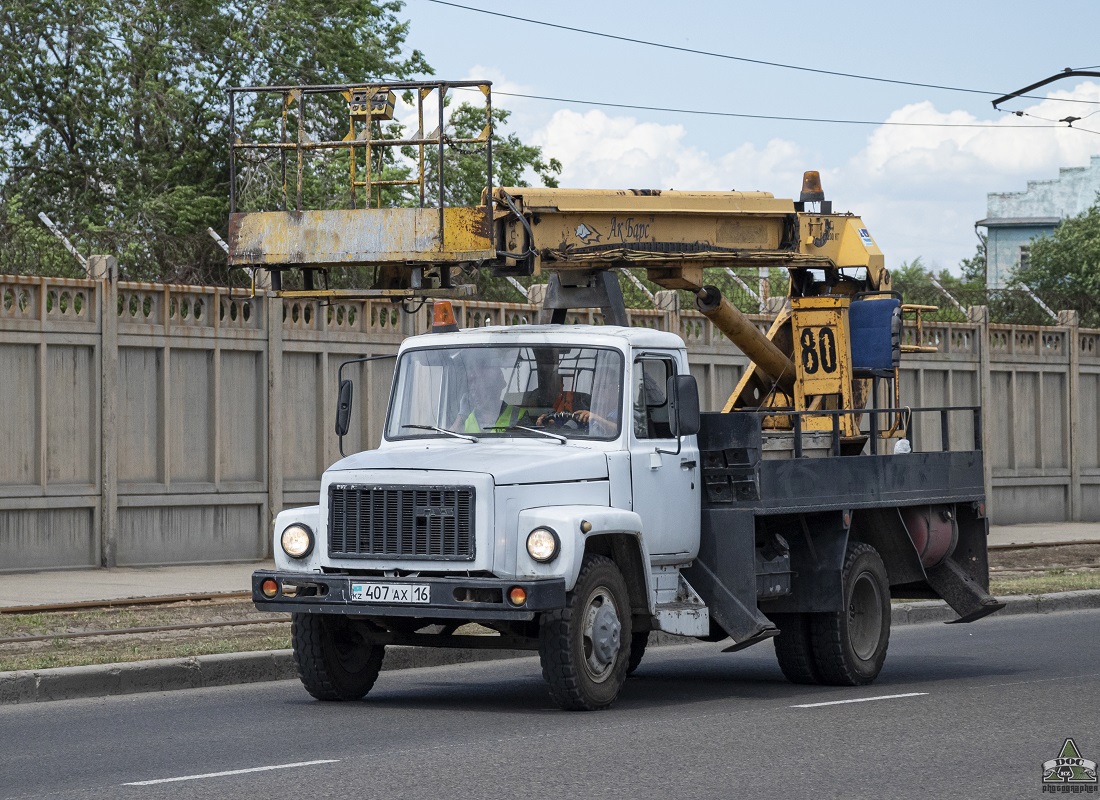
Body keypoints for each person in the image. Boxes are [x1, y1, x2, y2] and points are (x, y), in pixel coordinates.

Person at [453, 360, 528, 433]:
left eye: (480, 389)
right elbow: (447, 440)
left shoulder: (517, 415)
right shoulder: (466, 419)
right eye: (472, 390)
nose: (474, 395)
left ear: (493, 390)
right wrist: (461, 416)